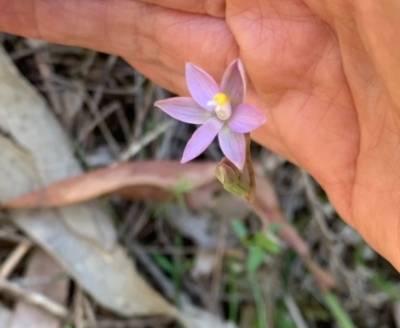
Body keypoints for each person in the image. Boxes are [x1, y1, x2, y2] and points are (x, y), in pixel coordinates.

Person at [1, 0, 400, 270]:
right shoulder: (217, 123)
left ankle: (286, 243)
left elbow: (234, 103)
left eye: (221, 101)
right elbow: (208, 107)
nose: (217, 104)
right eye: (214, 103)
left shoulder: (238, 114)